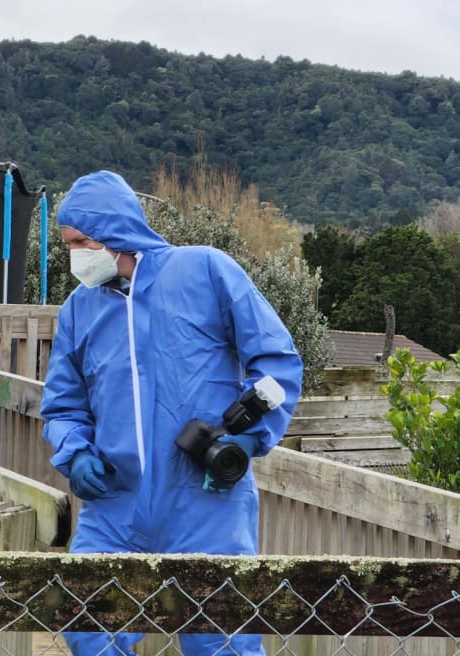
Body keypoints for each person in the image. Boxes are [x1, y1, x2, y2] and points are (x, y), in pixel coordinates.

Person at [40, 171, 303, 656]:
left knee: (219, 640)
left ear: (112, 232)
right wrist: (75, 453)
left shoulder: (205, 271)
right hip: (116, 505)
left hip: (205, 501)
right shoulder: (80, 308)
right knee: (86, 621)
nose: (74, 254)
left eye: (80, 241)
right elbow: (63, 402)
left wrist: (249, 436)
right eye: (69, 243)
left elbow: (276, 360)